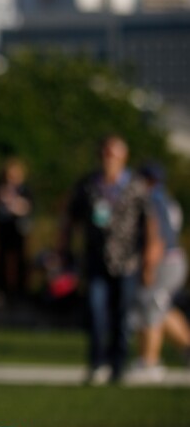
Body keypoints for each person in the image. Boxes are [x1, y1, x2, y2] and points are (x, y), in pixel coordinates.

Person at [61, 135, 155, 385]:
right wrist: (64, 250)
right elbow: (70, 218)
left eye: (113, 154)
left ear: (123, 157)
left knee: (122, 314)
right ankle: (97, 363)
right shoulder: (89, 185)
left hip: (128, 262)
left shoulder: (136, 185)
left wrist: (149, 258)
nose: (108, 159)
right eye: (105, 154)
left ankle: (118, 364)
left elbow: (150, 224)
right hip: (95, 260)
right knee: (96, 310)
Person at [130, 162, 189, 381]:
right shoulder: (166, 198)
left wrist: (149, 265)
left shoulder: (153, 200)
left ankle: (150, 361)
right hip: (174, 259)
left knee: (151, 305)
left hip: (164, 260)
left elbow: (158, 237)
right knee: (161, 307)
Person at [0, 157, 33, 301]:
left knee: (17, 262)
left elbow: (28, 207)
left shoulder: (25, 190)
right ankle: (2, 290)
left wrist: (16, 205)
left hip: (18, 232)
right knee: (1, 260)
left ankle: (18, 292)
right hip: (3, 231)